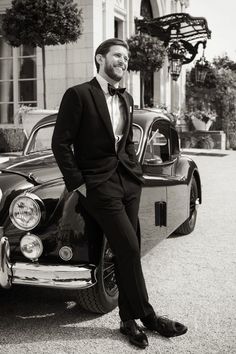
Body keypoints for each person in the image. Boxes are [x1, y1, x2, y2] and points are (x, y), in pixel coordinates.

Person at [52, 38, 187, 349]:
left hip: (127, 183)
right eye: (117, 56)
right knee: (127, 248)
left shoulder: (126, 97)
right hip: (98, 186)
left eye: (126, 57)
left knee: (128, 249)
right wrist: (80, 184)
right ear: (100, 58)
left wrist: (134, 172)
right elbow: (61, 143)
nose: (123, 61)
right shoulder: (78, 94)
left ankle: (128, 320)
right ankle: (150, 318)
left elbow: (125, 141)